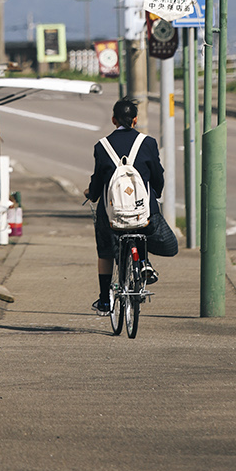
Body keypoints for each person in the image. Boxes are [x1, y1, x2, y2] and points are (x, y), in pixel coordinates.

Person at [84, 96, 178, 315]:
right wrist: (155, 194)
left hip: (111, 215)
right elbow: (158, 176)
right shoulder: (148, 143)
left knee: (106, 252)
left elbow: (98, 182)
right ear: (135, 120)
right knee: (144, 224)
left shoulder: (102, 146)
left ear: (113, 120)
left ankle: (105, 301)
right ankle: (143, 262)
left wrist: (92, 194)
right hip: (144, 212)